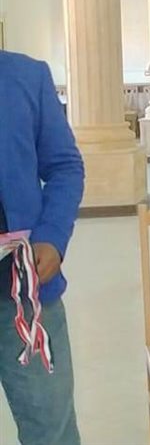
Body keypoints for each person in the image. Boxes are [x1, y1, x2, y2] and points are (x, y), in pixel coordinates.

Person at [0, 51, 85, 445]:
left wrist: (52, 235)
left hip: (25, 291)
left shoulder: (26, 76)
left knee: (51, 431)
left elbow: (65, 166)